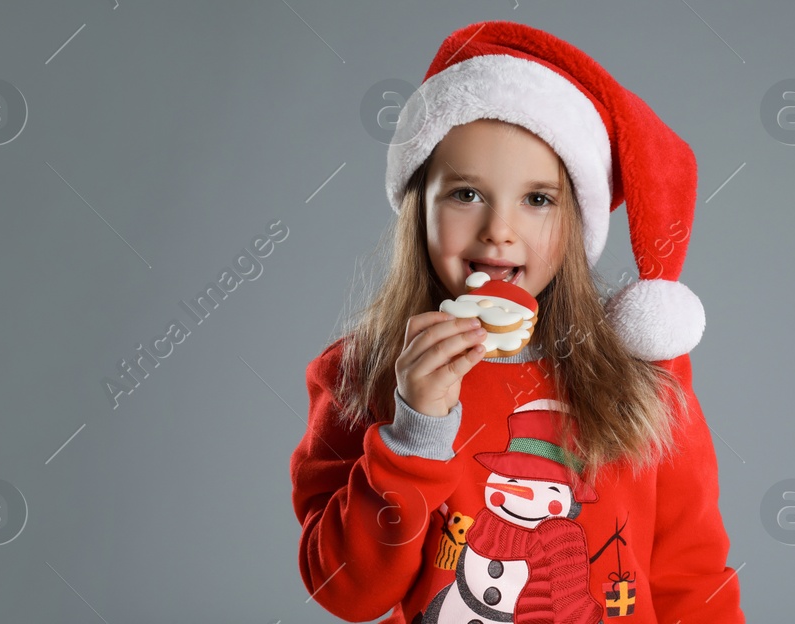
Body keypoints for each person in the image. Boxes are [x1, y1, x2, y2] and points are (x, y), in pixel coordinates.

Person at [289, 21, 744, 624]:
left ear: (576, 222)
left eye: (538, 199)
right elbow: (347, 593)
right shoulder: (359, 372)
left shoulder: (645, 377)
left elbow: (692, 576)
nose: (499, 230)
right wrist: (413, 432)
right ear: (417, 207)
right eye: (466, 194)